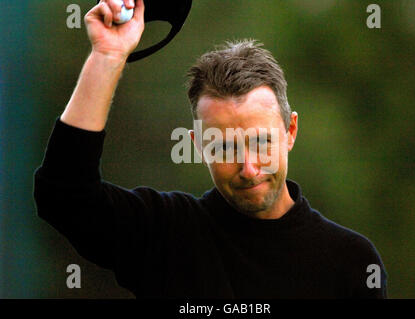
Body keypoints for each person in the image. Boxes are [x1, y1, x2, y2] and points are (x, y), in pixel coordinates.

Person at [33, 0, 387, 298]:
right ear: (199, 147)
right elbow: (64, 196)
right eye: (226, 147)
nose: (248, 168)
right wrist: (107, 56)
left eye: (261, 142)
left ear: (290, 131)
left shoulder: (352, 263)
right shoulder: (166, 235)